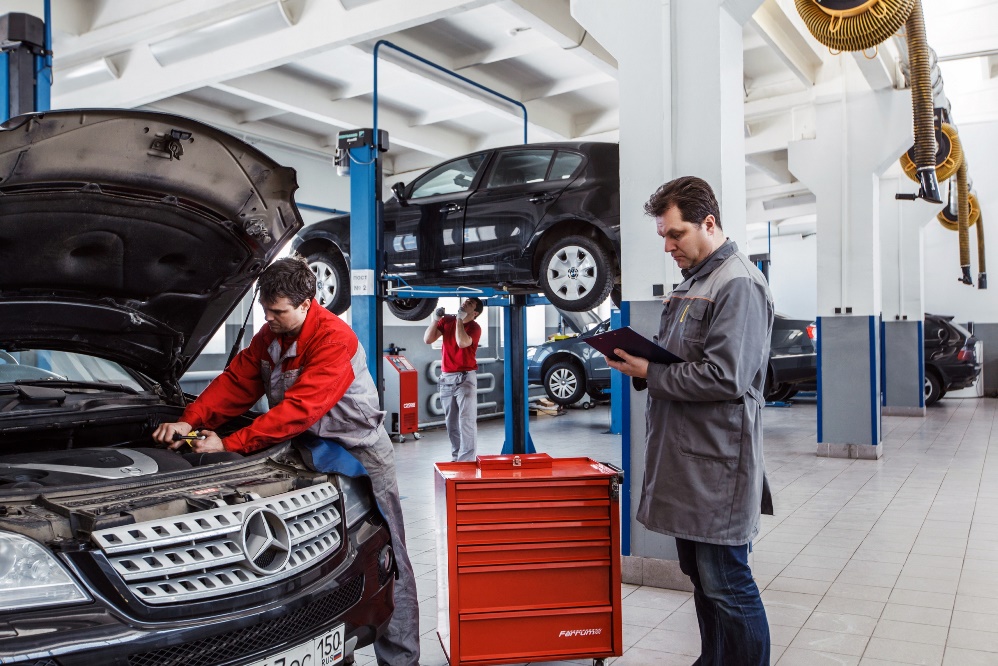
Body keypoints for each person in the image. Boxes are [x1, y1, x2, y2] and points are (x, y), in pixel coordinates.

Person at [151, 257, 419, 666]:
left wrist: (229, 444)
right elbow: (236, 383)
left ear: (308, 303)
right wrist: (188, 420)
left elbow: (297, 411)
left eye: (278, 311)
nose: (269, 318)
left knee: (390, 554)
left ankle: (401, 659)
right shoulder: (269, 338)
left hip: (359, 452)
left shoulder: (335, 340)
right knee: (313, 554)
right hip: (302, 450)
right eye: (265, 309)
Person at [606, 176, 774, 666]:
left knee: (728, 583)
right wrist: (644, 365)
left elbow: (726, 376)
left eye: (675, 234)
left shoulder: (737, 282)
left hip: (718, 466)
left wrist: (650, 372)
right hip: (686, 462)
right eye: (663, 235)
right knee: (703, 579)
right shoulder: (694, 283)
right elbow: (680, 362)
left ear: (708, 222)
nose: (668, 245)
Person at [423, 297, 484, 462]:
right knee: (451, 423)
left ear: (475, 313)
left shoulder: (474, 328)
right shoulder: (447, 320)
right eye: (466, 301)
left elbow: (462, 342)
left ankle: (467, 460)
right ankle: (457, 457)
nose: (465, 302)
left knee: (466, 422)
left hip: (465, 379)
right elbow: (428, 339)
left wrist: (459, 319)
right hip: (447, 378)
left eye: (470, 303)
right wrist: (435, 319)